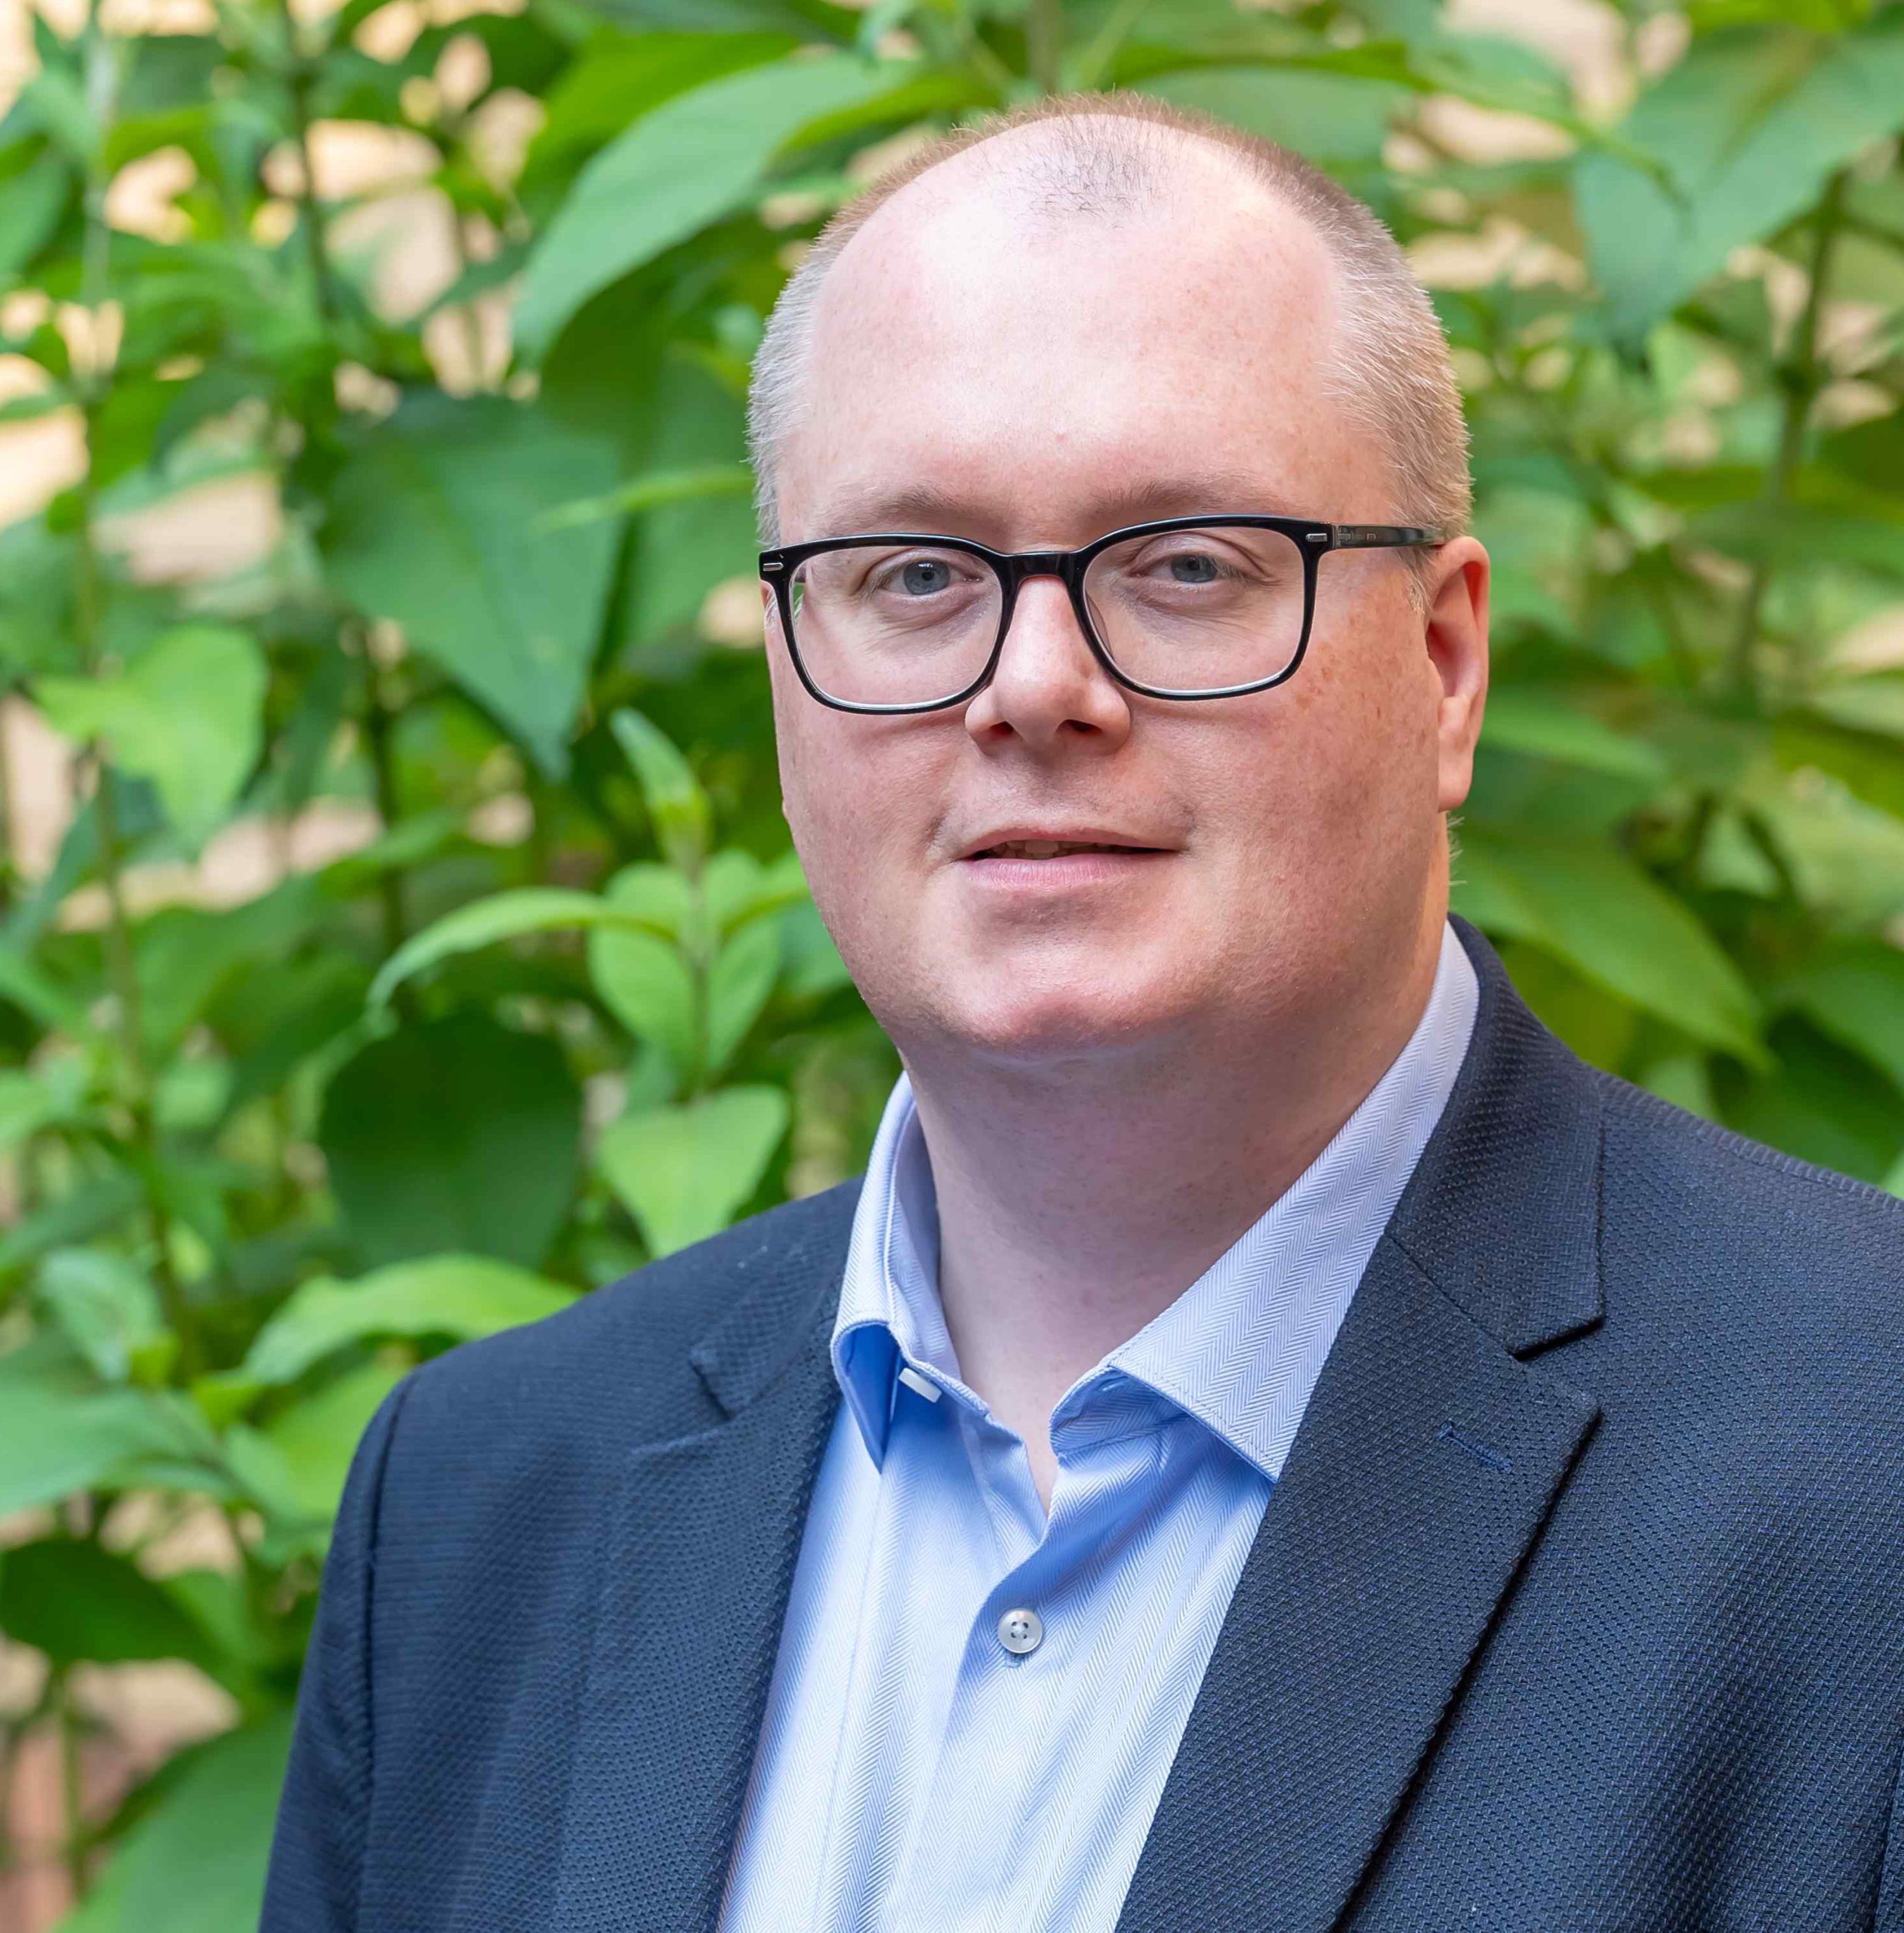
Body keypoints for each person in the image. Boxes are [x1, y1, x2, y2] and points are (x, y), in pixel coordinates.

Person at [260, 93, 1904, 1933]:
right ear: (787, 682)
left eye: (1185, 563)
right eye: (912, 576)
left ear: (1442, 666)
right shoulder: (477, 1511)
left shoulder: (1864, 1463)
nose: (1032, 686)